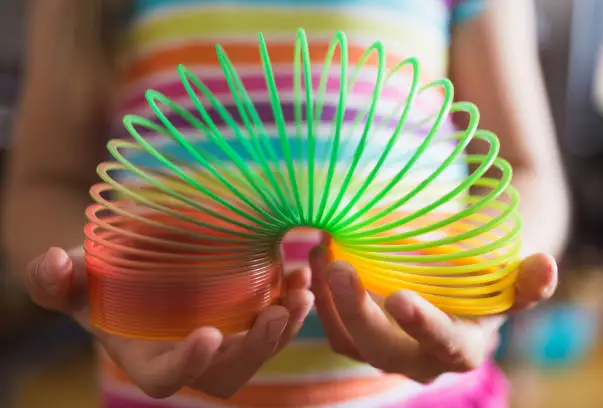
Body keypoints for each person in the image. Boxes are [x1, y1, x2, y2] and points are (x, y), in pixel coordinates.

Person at [3, 0, 569, 406]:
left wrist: (487, 288)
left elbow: (525, 169)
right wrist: (90, 279)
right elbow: (43, 181)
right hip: (166, 383)